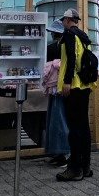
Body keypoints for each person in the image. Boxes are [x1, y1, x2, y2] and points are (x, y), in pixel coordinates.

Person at [55, 8, 97, 181]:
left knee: (74, 128)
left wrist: (66, 81)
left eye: (63, 20)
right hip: (85, 85)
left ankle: (74, 168)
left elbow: (71, 58)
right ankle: (85, 165)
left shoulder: (70, 35)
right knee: (83, 126)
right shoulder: (84, 36)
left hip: (73, 85)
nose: (63, 23)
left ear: (67, 20)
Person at [43, 20, 69, 167]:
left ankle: (63, 153)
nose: (51, 33)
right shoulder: (60, 46)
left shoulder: (56, 47)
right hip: (57, 87)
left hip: (58, 87)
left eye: (52, 31)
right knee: (56, 120)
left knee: (58, 120)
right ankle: (60, 152)